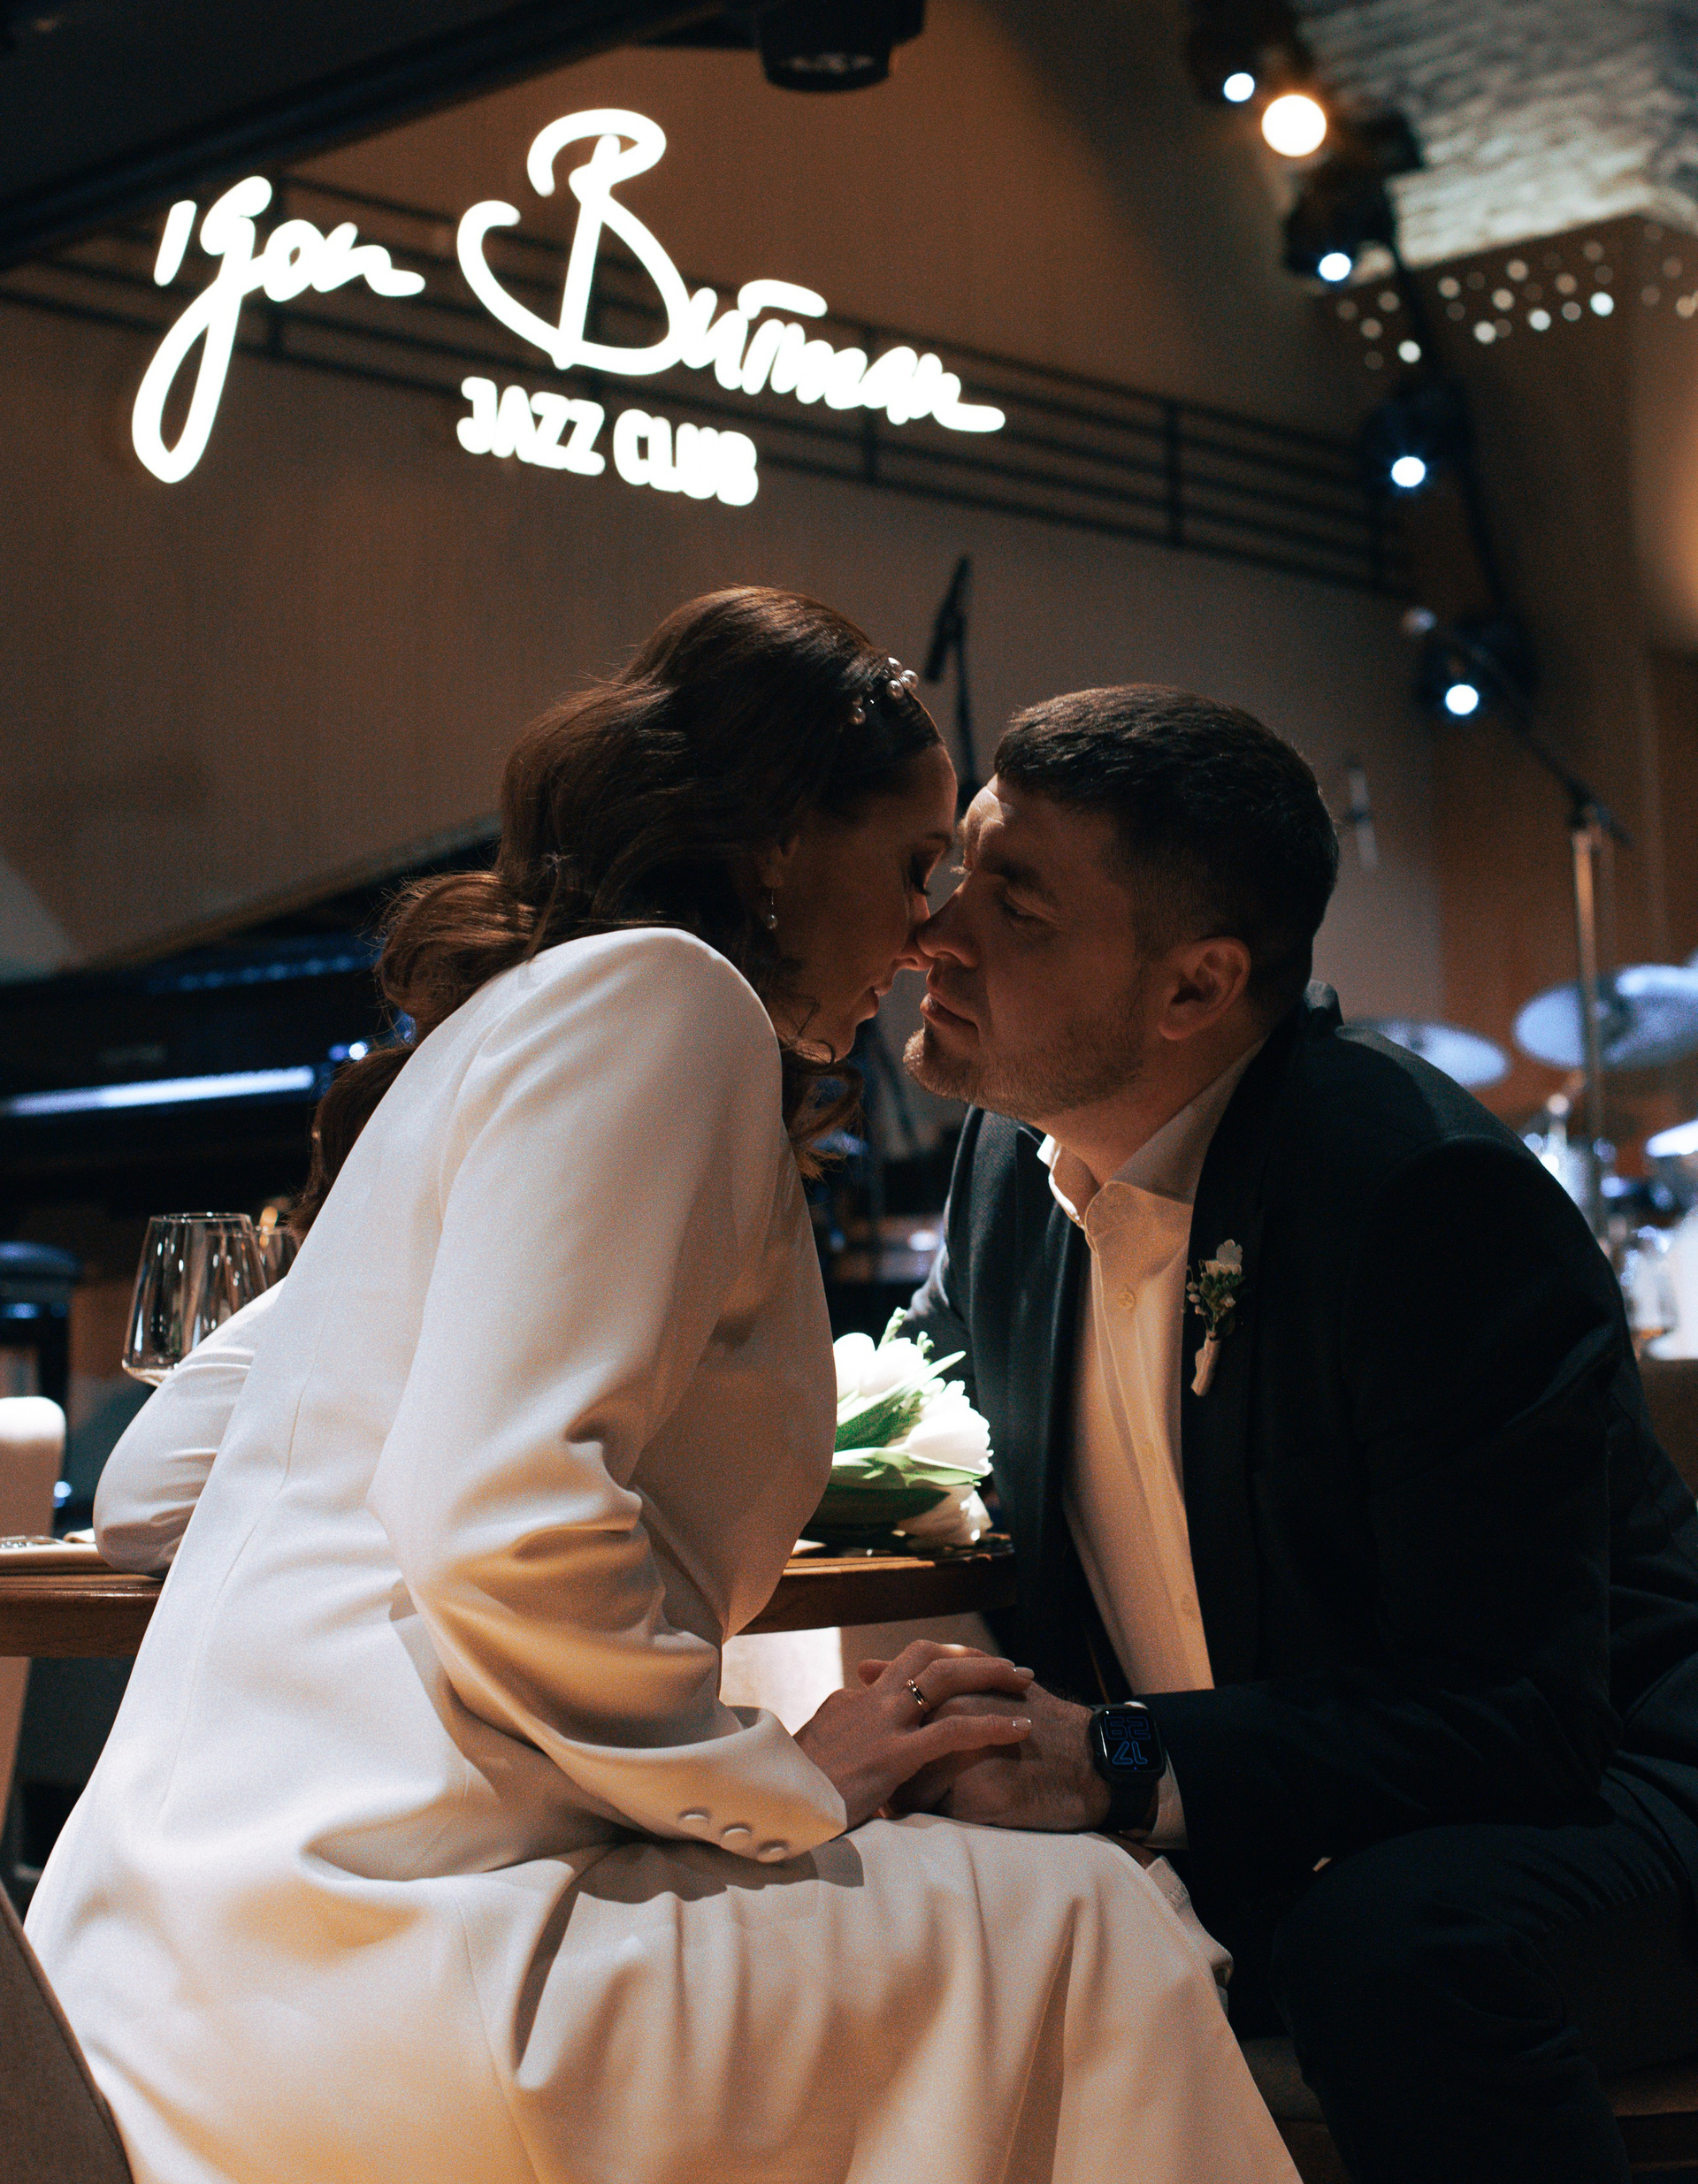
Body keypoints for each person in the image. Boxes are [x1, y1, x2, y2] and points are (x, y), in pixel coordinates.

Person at [27, 594, 1295, 2184]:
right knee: (1090, 1917)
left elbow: (149, 1491)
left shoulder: (512, 1021)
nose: (927, 936)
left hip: (173, 1954)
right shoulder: (672, 1001)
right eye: (916, 866)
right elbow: (504, 1520)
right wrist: (774, 1779)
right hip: (416, 1940)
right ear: (777, 846)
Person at [896, 681, 1698, 2184]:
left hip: (1617, 1789)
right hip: (1286, 1806)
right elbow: (932, 1425)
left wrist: (1114, 1759)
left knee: (1389, 1944)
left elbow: (1518, 1712)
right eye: (957, 875)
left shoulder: (1419, 1200)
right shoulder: (1009, 1167)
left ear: (1195, 987)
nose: (932, 935)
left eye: (1017, 906)